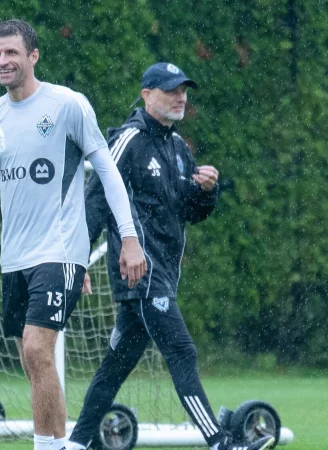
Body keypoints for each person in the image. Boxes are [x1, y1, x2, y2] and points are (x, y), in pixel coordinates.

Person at [0, 19, 147, 450]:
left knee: (36, 349)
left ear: (33, 56)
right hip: (16, 257)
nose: (2, 61)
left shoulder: (67, 105)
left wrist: (129, 237)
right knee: (31, 361)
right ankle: (51, 444)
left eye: (11, 53)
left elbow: (106, 170)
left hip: (61, 248)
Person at [63, 63, 274, 450]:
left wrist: (207, 191)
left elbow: (191, 211)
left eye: (184, 91)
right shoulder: (129, 139)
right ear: (146, 94)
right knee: (181, 350)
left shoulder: (178, 148)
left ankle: (76, 444)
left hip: (162, 275)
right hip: (140, 274)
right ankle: (220, 442)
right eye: (171, 90)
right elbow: (96, 200)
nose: (180, 98)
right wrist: (77, 260)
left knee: (116, 366)